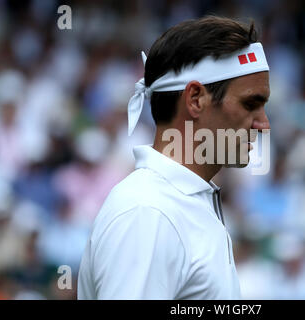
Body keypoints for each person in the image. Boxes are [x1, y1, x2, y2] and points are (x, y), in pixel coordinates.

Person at [77, 16, 270, 299]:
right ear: (195, 99)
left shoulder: (172, 205)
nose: (263, 123)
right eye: (250, 104)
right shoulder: (149, 212)